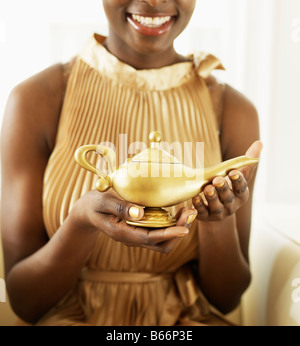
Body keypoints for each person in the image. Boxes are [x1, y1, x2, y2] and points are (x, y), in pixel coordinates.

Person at [0, 0, 262, 326]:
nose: (154, 2)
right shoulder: (37, 99)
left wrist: (217, 220)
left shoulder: (232, 110)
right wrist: (80, 222)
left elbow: (226, 298)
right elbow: (24, 300)